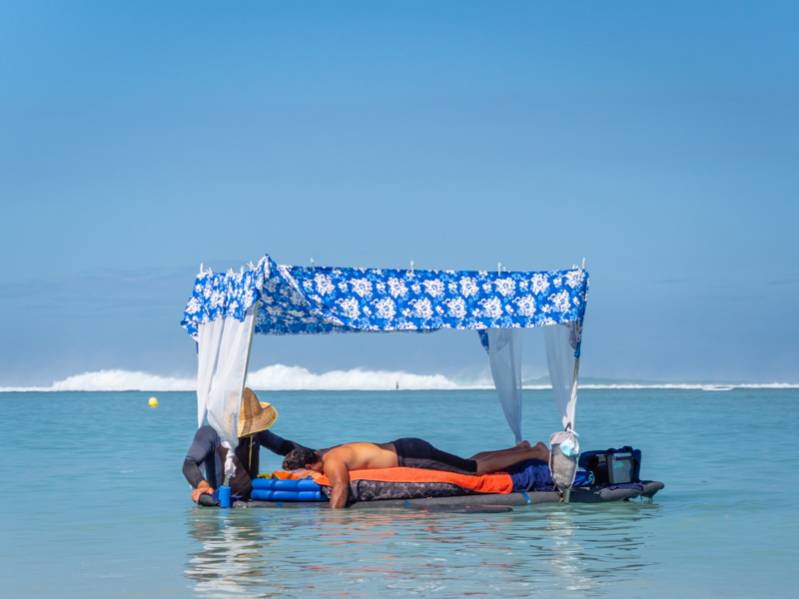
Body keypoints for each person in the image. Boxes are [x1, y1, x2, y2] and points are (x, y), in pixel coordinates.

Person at [282, 437, 550, 508]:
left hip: (412, 453)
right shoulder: (326, 451)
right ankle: (518, 449)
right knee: (468, 463)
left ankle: (534, 453)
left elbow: (339, 489)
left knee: (474, 471)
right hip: (407, 446)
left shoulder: (332, 462)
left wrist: (333, 521)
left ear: (309, 466)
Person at [183, 387, 312, 504]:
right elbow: (190, 463)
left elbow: (284, 447)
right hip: (220, 503)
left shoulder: (256, 432)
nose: (248, 431)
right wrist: (202, 485)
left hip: (251, 501)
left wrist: (318, 456)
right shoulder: (210, 433)